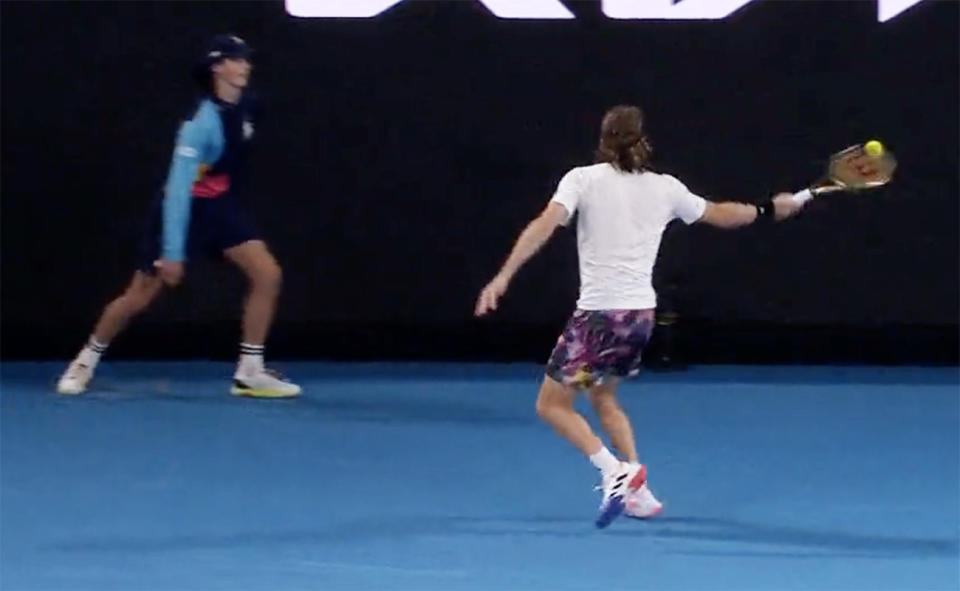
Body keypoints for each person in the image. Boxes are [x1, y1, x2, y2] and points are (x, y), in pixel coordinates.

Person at [474, 105, 804, 528]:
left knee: (551, 405)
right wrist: (768, 210)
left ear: (603, 140)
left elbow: (544, 224)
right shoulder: (665, 188)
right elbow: (722, 214)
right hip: (639, 317)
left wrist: (503, 275)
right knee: (603, 397)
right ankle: (639, 492)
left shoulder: (581, 179)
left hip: (598, 317)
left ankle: (614, 473)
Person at [57, 35, 300, 398]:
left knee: (267, 274)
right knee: (138, 298)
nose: (245, 66)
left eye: (246, 59)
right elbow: (178, 190)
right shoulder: (198, 126)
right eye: (236, 60)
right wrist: (172, 252)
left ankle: (250, 371)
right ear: (217, 67)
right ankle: (84, 362)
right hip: (182, 207)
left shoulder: (249, 106)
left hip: (219, 208)